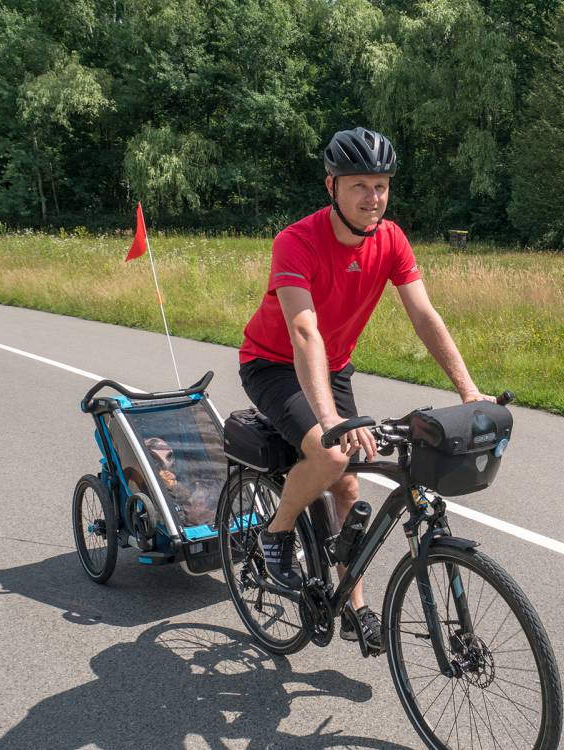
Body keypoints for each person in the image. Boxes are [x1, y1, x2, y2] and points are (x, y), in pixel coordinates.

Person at [238, 127, 494, 649]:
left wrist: (469, 390)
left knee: (349, 484)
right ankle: (276, 532)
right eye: (359, 185)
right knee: (332, 458)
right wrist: (328, 422)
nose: (372, 197)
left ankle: (352, 606)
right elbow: (304, 331)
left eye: (380, 186)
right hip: (273, 363)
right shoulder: (296, 240)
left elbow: (423, 315)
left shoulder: (392, 239)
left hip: (333, 367)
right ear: (331, 185)